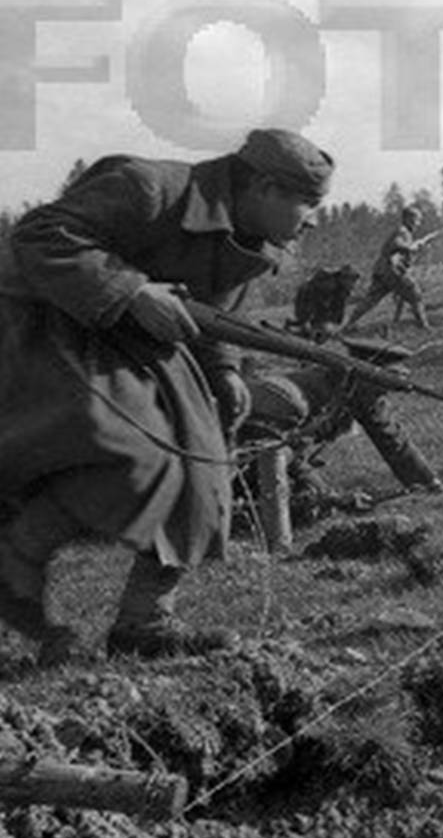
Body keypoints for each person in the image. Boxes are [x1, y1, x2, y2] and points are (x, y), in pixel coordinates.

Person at [0, 127, 333, 663]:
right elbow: (40, 236)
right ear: (265, 188)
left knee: (205, 458)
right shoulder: (147, 187)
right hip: (40, 328)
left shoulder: (247, 240)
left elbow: (219, 313)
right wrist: (131, 291)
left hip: (127, 338)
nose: (313, 218)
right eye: (308, 203)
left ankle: (145, 623)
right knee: (116, 439)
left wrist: (224, 372)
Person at [236, 336, 443, 523]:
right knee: (302, 503)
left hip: (280, 458)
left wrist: (428, 483)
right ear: (358, 377)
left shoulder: (360, 396)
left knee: (317, 504)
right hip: (234, 459)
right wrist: (329, 498)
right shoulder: (289, 397)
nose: (382, 397)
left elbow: (392, 441)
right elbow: (270, 456)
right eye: (380, 386)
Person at [344, 205, 437, 331]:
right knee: (416, 296)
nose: (418, 224)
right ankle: (424, 327)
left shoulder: (403, 232)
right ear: (409, 219)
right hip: (392, 271)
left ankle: (348, 325)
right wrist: (410, 248)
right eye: (417, 220)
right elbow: (397, 244)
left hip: (382, 270)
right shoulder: (402, 231)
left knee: (370, 300)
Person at [287, 264, 360, 338]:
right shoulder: (327, 284)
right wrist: (308, 320)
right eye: (352, 281)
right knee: (311, 328)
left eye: (354, 281)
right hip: (306, 300)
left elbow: (339, 308)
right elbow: (313, 300)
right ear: (344, 278)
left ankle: (310, 328)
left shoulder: (342, 290)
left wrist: (335, 323)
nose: (353, 285)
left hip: (316, 305)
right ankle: (299, 326)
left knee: (327, 328)